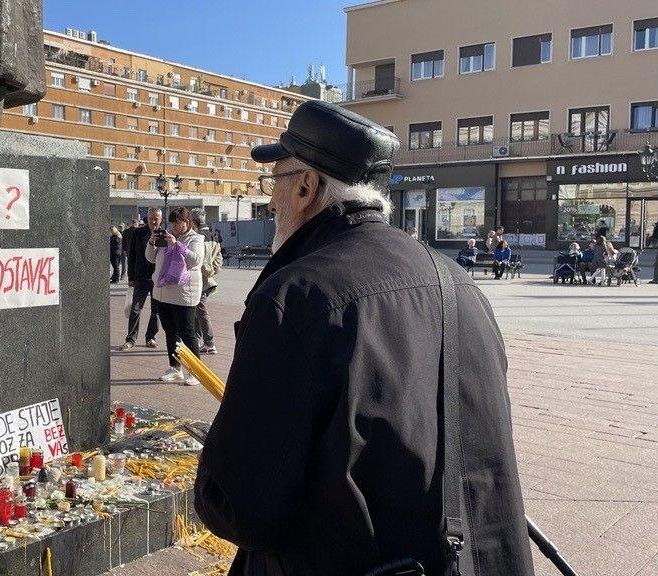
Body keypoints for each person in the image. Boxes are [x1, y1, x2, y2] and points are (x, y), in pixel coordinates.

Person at [195, 99, 532, 575]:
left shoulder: (296, 297)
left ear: (307, 186)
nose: (271, 202)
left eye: (276, 183)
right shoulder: (459, 283)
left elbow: (240, 506)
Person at [145, 206, 204, 384]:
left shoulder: (195, 238)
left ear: (187, 222)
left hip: (184, 293)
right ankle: (175, 368)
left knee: (187, 332)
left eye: (177, 222)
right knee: (170, 331)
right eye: (172, 222)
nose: (174, 225)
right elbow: (150, 258)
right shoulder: (166, 236)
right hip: (163, 292)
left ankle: (196, 371)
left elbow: (195, 260)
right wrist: (151, 242)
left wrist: (176, 245)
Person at [120, 209, 161, 350]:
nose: (153, 221)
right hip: (141, 277)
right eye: (151, 218)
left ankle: (151, 338)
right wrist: (131, 277)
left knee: (156, 311)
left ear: (160, 219)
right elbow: (131, 256)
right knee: (135, 309)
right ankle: (131, 339)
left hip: (158, 280)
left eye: (156, 219)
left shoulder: (164, 235)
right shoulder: (138, 233)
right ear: (147, 218)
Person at [192, 209, 223, 355]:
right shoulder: (213, 236)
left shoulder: (198, 237)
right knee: (198, 310)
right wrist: (212, 272)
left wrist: (205, 272)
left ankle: (209, 343)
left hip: (199, 279)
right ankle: (199, 340)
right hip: (208, 280)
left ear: (193, 221)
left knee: (201, 310)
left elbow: (201, 261)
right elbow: (219, 260)